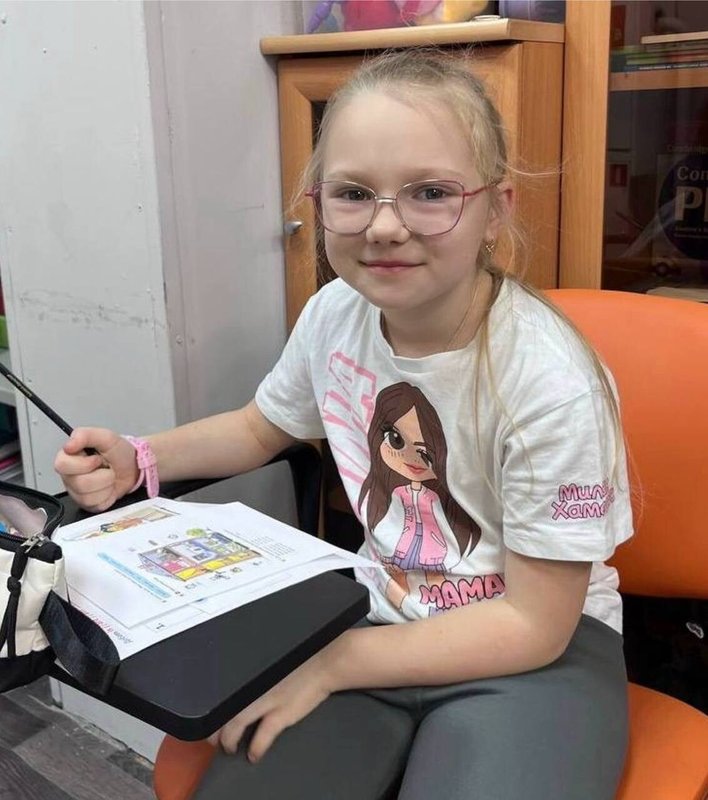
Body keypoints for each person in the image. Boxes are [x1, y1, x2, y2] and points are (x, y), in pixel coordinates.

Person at [55, 49, 633, 800]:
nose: (385, 227)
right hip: (377, 613)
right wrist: (140, 458)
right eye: (354, 193)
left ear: (496, 209)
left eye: (431, 193)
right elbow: (260, 428)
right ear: (318, 202)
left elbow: (533, 623)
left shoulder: (551, 380)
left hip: (535, 651)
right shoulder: (335, 314)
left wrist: (331, 664)